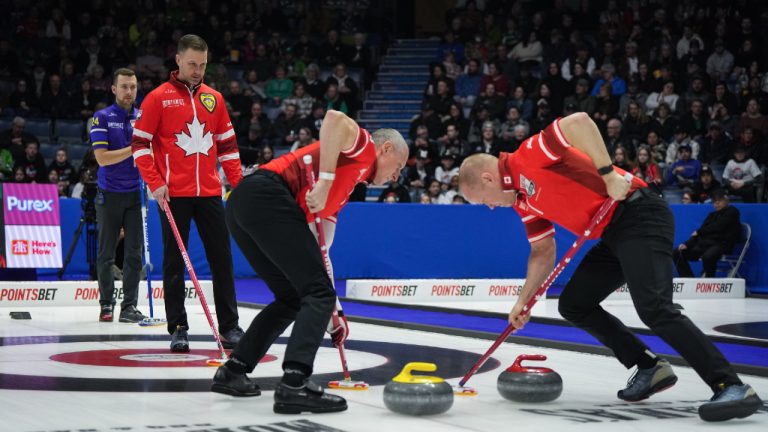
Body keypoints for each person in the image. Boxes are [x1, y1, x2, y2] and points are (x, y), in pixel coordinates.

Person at [457, 112, 761, 422]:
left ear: (487, 178)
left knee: (655, 308)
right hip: (613, 232)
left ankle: (731, 385)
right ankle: (648, 366)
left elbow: (579, 122)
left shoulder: (527, 157)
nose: (491, 207)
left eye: (484, 201)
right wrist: (523, 302)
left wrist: (608, 175)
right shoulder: (523, 200)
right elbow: (542, 250)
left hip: (639, 213)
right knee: (575, 305)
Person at [211, 110, 408, 414]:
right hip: (267, 194)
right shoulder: (364, 148)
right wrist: (326, 180)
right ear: (386, 149)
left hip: (244, 203)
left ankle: (234, 370)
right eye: (398, 167)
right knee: (317, 293)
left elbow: (319, 258)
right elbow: (334, 119)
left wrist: (334, 313)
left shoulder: (344, 192)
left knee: (294, 296)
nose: (396, 177)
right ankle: (294, 383)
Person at [131, 34, 244, 352]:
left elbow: (228, 147)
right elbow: (139, 144)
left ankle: (230, 327)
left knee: (222, 259)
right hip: (173, 194)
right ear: (178, 60)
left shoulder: (214, 99)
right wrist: (155, 183)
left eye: (203, 65)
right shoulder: (157, 98)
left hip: (209, 192)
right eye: (193, 64)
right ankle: (178, 327)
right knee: (174, 263)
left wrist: (238, 184)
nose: (198, 70)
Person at [90, 68, 146, 323]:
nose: (129, 91)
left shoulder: (143, 117)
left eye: (133, 87)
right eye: (124, 86)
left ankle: (129, 307)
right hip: (109, 194)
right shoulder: (101, 118)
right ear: (113, 89)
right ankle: (106, 305)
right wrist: (134, 148)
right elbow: (102, 158)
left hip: (136, 194)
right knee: (106, 253)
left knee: (135, 253)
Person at [674, 189, 740, 278]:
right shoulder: (711, 215)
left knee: (708, 256)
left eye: (719, 200)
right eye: (714, 201)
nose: (716, 203)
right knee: (677, 253)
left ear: (726, 200)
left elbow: (717, 227)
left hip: (722, 245)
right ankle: (689, 280)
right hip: (706, 244)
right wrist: (687, 244)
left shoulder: (732, 211)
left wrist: (700, 231)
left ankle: (709, 281)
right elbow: (699, 233)